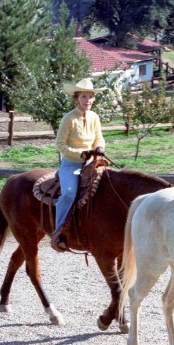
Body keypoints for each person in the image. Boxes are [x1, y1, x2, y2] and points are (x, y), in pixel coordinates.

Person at [51, 78, 107, 251]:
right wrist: (79, 154)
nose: (88, 100)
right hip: (71, 165)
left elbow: (99, 137)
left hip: (93, 163)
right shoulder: (68, 119)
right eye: (84, 97)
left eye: (90, 97)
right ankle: (59, 231)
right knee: (68, 194)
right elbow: (60, 144)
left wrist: (100, 147)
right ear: (76, 98)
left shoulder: (94, 117)